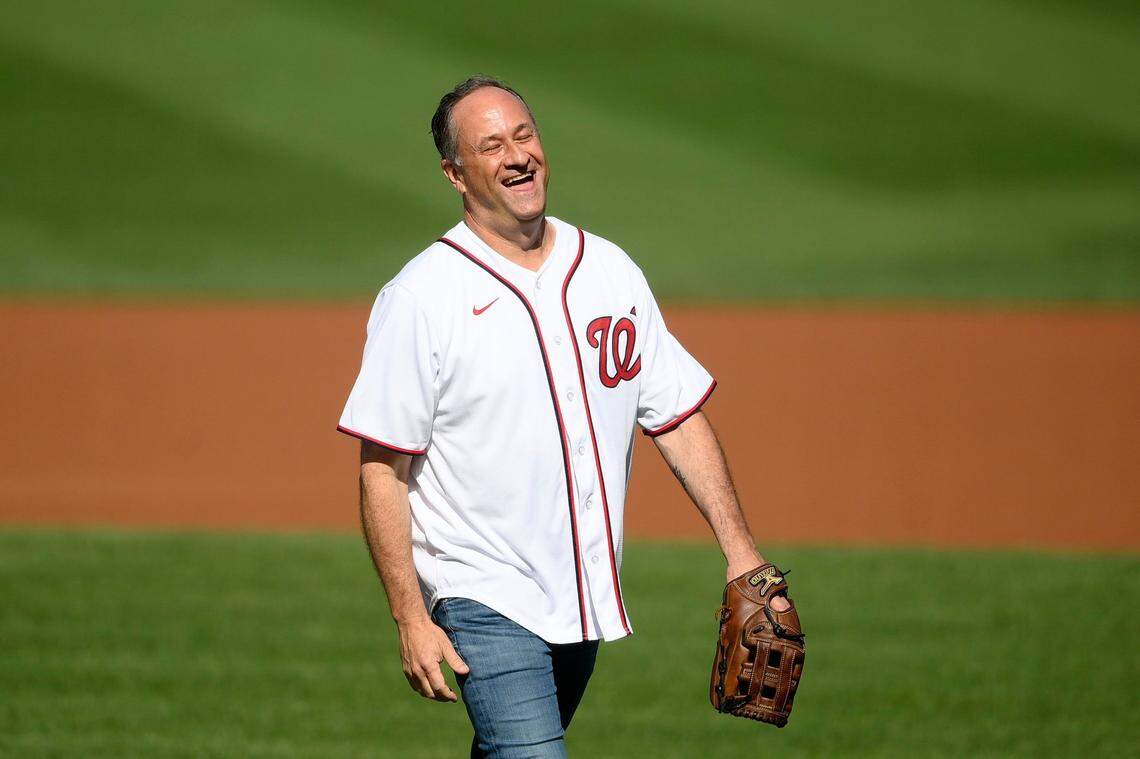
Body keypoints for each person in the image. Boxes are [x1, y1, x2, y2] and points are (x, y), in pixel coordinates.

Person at [338, 75, 788, 758]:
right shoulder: (422, 296)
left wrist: (741, 552)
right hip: (479, 595)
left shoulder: (608, 270)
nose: (518, 155)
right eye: (491, 145)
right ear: (455, 173)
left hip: (581, 597)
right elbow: (383, 470)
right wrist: (409, 614)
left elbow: (675, 416)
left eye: (524, 135)